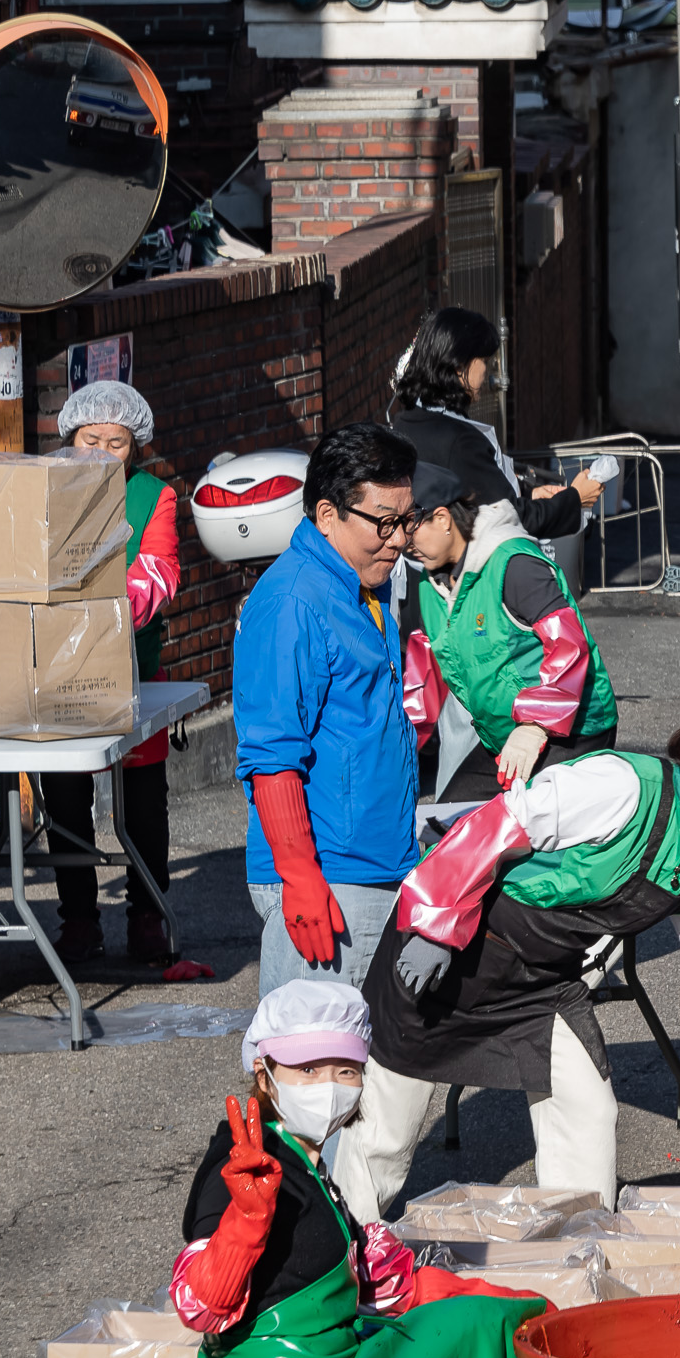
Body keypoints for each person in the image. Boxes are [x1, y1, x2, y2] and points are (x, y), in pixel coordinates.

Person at [336, 680, 680, 1214]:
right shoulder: (621, 785)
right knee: (383, 1138)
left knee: (587, 1111)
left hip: (538, 988)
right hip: (442, 960)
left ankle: (576, 1263)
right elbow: (497, 824)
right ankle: (340, 1264)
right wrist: (432, 926)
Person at [174, 980, 551, 1358]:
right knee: (468, 1339)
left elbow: (384, 1288)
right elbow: (198, 1303)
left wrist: (503, 1299)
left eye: (344, 1070)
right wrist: (246, 1222)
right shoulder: (243, 1165)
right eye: (308, 1070)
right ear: (265, 1076)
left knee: (480, 1324)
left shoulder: (306, 1161)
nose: (328, 1085)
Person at [234, 424, 423, 992]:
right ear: (326, 514)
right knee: (317, 1070)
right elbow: (270, 756)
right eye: (383, 523)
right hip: (329, 874)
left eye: (406, 520)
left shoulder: (362, 583)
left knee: (358, 1063)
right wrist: (300, 877)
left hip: (373, 859)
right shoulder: (292, 601)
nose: (397, 539)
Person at [42, 381, 180, 963]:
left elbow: (161, 571)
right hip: (50, 675)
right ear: (70, 438)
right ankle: (77, 919)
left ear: (136, 445)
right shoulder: (43, 491)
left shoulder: (155, 495)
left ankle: (148, 914)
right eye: (90, 439)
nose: (101, 452)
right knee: (64, 796)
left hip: (132, 673)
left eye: (115, 442)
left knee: (144, 801)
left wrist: (100, 612)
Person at [400, 462, 619, 801]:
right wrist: (400, 748)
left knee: (525, 828)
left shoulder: (514, 564)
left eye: (409, 526)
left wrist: (534, 727)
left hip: (573, 729)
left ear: (442, 519)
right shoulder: (431, 586)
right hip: (505, 736)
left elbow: (569, 646)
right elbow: (423, 680)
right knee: (450, 823)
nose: (403, 541)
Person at [386, 307, 601, 540]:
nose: (487, 372)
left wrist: (526, 494)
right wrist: (576, 499)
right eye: (484, 361)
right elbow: (512, 520)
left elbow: (476, 497)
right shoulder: (459, 441)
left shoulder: (407, 421)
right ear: (459, 366)